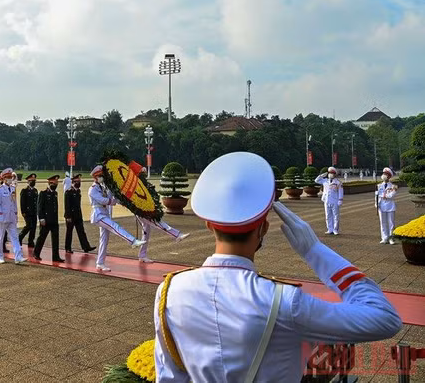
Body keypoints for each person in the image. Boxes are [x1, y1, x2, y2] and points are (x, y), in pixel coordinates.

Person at [153, 152, 402, 382]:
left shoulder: (169, 291)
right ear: (264, 228)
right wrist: (315, 251)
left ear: (210, 225)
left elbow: (169, 377)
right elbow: (385, 319)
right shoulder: (285, 302)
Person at [88, 165, 145, 272]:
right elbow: (103, 200)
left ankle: (100, 263)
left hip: (104, 213)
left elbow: (112, 197)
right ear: (95, 177)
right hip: (98, 214)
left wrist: (126, 202)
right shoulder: (93, 190)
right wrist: (113, 201)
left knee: (104, 240)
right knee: (114, 226)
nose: (102, 177)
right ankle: (132, 241)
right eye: (100, 176)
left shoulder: (103, 187)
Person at [0, 169, 26, 264]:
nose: (10, 179)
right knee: (0, 237)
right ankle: (0, 256)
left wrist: (16, 214)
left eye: (10, 177)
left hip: (11, 216)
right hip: (2, 217)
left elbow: (14, 202)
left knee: (15, 237)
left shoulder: (12, 188)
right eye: (8, 178)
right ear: (3, 179)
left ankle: (18, 257)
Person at [33, 175, 65, 262]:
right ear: (50, 183)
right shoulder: (43, 193)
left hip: (54, 220)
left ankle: (56, 256)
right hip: (45, 220)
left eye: (57, 183)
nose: (56, 184)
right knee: (42, 238)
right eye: (55, 183)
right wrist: (41, 218)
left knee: (55, 239)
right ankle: (36, 253)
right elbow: (39, 207)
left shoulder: (55, 193)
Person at [64, 174, 95, 254]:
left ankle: (86, 247)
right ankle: (68, 248)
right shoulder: (68, 192)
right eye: (78, 181)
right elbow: (67, 205)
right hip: (70, 216)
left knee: (81, 231)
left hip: (78, 215)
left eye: (80, 181)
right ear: (73, 182)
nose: (79, 183)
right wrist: (68, 216)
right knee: (69, 232)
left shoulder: (78, 191)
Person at [315, 167, 343, 235]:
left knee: (335, 216)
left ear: (335, 174)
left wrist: (340, 199)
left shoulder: (338, 182)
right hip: (326, 200)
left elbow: (340, 191)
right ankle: (329, 229)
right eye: (329, 173)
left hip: (335, 200)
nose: (330, 174)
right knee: (328, 215)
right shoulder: (325, 181)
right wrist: (321, 175)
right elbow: (316, 180)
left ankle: (335, 229)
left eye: (332, 173)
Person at [376, 167, 398, 245]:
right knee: (383, 222)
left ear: (389, 176)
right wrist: (376, 204)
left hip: (390, 206)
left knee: (391, 223)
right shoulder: (378, 186)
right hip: (381, 206)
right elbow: (377, 196)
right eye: (383, 174)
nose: (384, 175)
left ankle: (391, 238)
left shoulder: (393, 186)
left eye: (385, 174)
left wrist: (384, 195)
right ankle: (384, 238)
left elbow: (392, 195)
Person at [18, 173, 39, 247]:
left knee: (33, 227)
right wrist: (23, 212)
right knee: (28, 226)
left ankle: (31, 241)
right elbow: (22, 202)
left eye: (34, 180)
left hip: (34, 212)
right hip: (27, 212)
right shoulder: (24, 190)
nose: (33, 182)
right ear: (28, 181)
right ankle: (20, 237)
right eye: (31, 180)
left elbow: (37, 202)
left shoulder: (35, 191)